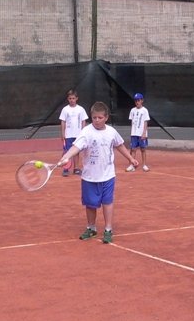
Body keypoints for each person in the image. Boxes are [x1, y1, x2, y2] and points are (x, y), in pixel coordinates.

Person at [59, 101, 139, 244]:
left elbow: (120, 145)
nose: (97, 120)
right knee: (90, 204)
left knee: (107, 202)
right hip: (89, 177)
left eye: (100, 117)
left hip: (108, 175)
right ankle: (91, 228)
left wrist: (131, 158)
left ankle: (108, 229)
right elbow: (76, 147)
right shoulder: (86, 132)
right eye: (94, 117)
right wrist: (66, 156)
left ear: (106, 117)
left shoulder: (111, 132)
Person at [59, 89, 88, 176]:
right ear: (68, 99)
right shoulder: (65, 109)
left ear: (76, 98)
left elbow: (83, 121)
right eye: (70, 98)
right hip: (68, 135)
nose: (72, 100)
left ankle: (76, 168)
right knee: (67, 152)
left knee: (76, 152)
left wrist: (83, 132)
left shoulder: (81, 109)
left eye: (73, 98)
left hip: (78, 135)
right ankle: (66, 169)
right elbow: (63, 122)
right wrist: (63, 133)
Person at [126, 92, 151, 172]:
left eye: (138, 100)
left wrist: (144, 133)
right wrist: (132, 132)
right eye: (136, 100)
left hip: (141, 134)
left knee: (143, 149)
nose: (137, 102)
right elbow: (132, 122)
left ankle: (144, 165)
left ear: (142, 101)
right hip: (134, 133)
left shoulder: (145, 110)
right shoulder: (132, 110)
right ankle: (131, 165)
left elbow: (145, 122)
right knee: (133, 149)